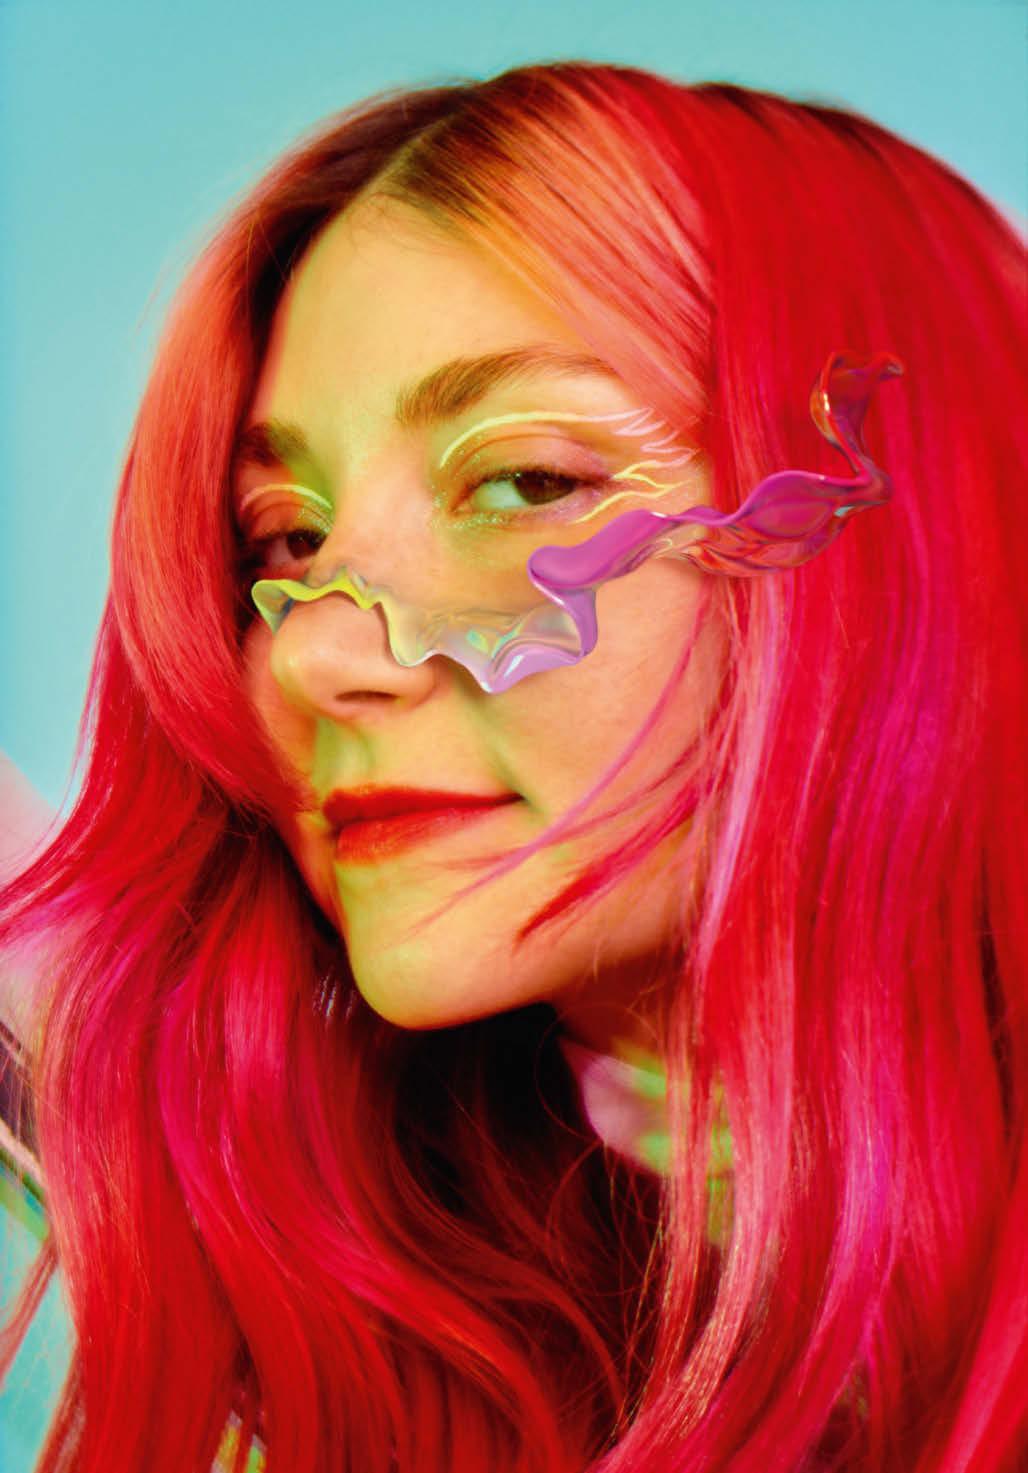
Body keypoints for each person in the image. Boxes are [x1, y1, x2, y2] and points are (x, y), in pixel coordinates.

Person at [1, 60, 1025, 1473]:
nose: (315, 655)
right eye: (286, 537)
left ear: (907, 537)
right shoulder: (227, 1290)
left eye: (529, 482)